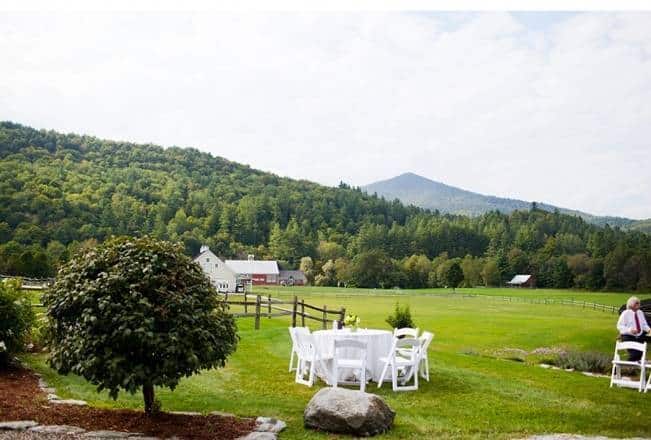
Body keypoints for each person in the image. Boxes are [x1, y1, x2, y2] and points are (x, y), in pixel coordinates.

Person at [616, 296, 650, 361]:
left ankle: (629, 369)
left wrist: (648, 329)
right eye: (636, 303)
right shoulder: (625, 313)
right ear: (631, 304)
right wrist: (630, 330)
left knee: (640, 354)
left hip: (639, 337)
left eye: (638, 303)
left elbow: (644, 325)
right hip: (628, 337)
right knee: (635, 354)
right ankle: (625, 367)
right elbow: (619, 326)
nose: (638, 304)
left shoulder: (640, 313)